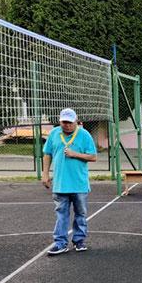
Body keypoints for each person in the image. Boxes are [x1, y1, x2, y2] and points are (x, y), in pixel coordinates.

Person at [42, 108, 97, 254]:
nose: (66, 125)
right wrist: (45, 174)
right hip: (60, 183)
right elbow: (47, 154)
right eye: (64, 122)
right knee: (61, 214)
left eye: (69, 122)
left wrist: (75, 154)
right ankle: (60, 243)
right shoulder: (54, 133)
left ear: (76, 121)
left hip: (79, 183)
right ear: (60, 121)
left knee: (81, 214)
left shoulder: (84, 135)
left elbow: (93, 156)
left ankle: (79, 241)